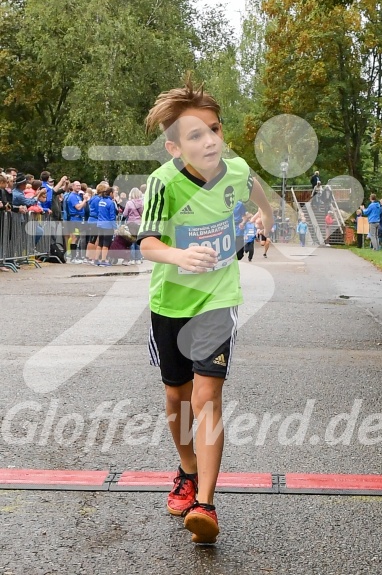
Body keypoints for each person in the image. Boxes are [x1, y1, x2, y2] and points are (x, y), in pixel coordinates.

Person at [137, 79, 273, 545]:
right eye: (196, 135)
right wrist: (180, 256)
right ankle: (188, 470)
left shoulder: (236, 170)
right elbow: (148, 243)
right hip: (171, 302)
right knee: (177, 399)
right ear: (175, 146)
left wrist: (264, 221)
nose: (210, 140)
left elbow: (262, 198)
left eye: (214, 129)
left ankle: (206, 505)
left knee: (206, 398)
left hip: (218, 299)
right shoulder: (162, 183)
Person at [123, 187, 144, 264]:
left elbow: (125, 214)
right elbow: (143, 213)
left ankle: (132, 259)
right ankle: (138, 258)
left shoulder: (129, 203)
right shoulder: (141, 203)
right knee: (138, 241)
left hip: (131, 223)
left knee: (132, 241)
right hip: (139, 223)